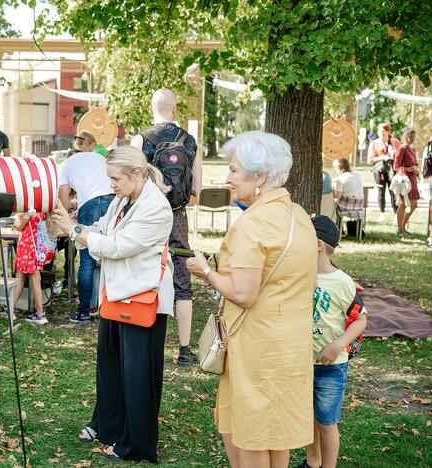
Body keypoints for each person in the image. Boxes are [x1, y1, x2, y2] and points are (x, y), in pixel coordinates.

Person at [186, 131, 317, 468]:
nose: (226, 178)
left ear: (260, 177)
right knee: (277, 432)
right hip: (291, 344)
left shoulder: (253, 223)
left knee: (253, 430)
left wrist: (205, 272)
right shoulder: (299, 216)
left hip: (257, 346)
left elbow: (244, 294)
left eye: (233, 170)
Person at [51, 145, 174, 462]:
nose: (111, 186)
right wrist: (75, 226)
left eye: (116, 178)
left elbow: (118, 246)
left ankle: (135, 443)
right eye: (109, 178)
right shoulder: (121, 200)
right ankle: (107, 425)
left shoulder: (156, 207)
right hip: (117, 293)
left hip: (143, 297)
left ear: (136, 174)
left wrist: (74, 231)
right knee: (110, 367)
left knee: (137, 375)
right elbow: (101, 233)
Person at [131, 88, 201, 366]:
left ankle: (144, 342)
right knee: (182, 280)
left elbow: (132, 184)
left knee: (143, 271)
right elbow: (196, 187)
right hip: (178, 216)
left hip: (147, 215)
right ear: (175, 109)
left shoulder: (141, 139)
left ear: (152, 107)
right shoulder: (190, 140)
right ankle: (184, 350)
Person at [299, 215, 367, 468]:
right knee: (308, 420)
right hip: (301, 363)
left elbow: (361, 320)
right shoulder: (299, 275)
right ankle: (312, 461)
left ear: (317, 244)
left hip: (331, 368)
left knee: (326, 423)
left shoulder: (342, 282)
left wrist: (338, 345)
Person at [58, 134, 115, 324]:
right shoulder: (99, 158)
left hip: (89, 206)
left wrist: (69, 216)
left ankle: (83, 312)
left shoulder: (65, 165)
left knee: (87, 262)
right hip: (111, 201)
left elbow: (63, 201)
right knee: (111, 255)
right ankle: (107, 307)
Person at [12, 212, 56, 325]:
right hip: (37, 246)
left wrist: (22, 216)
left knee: (23, 277)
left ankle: (39, 314)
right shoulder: (44, 208)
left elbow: (20, 226)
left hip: (28, 244)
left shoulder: (31, 209)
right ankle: (11, 309)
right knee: (31, 277)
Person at [367, 123, 400, 220]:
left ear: (388, 132)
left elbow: (401, 154)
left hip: (392, 170)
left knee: (393, 191)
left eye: (384, 131)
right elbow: (369, 160)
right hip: (379, 171)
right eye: (380, 131)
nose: (382, 133)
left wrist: (394, 154)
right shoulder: (374, 143)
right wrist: (382, 157)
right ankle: (382, 213)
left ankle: (396, 214)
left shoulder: (395, 142)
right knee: (381, 191)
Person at [393, 128, 420, 237]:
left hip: (412, 180)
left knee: (413, 204)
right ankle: (400, 229)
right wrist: (408, 169)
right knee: (403, 204)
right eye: (410, 136)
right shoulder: (402, 149)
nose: (412, 138)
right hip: (403, 180)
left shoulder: (413, 149)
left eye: (414, 136)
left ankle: (403, 227)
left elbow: (414, 164)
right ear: (406, 136)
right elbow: (396, 166)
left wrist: (415, 170)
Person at [332, 157, 364, 237]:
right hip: (359, 206)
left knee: (332, 206)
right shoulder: (357, 175)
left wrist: (332, 190)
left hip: (346, 207)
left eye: (335, 168)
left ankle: (338, 230)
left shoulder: (341, 178)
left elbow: (338, 196)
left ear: (339, 168)